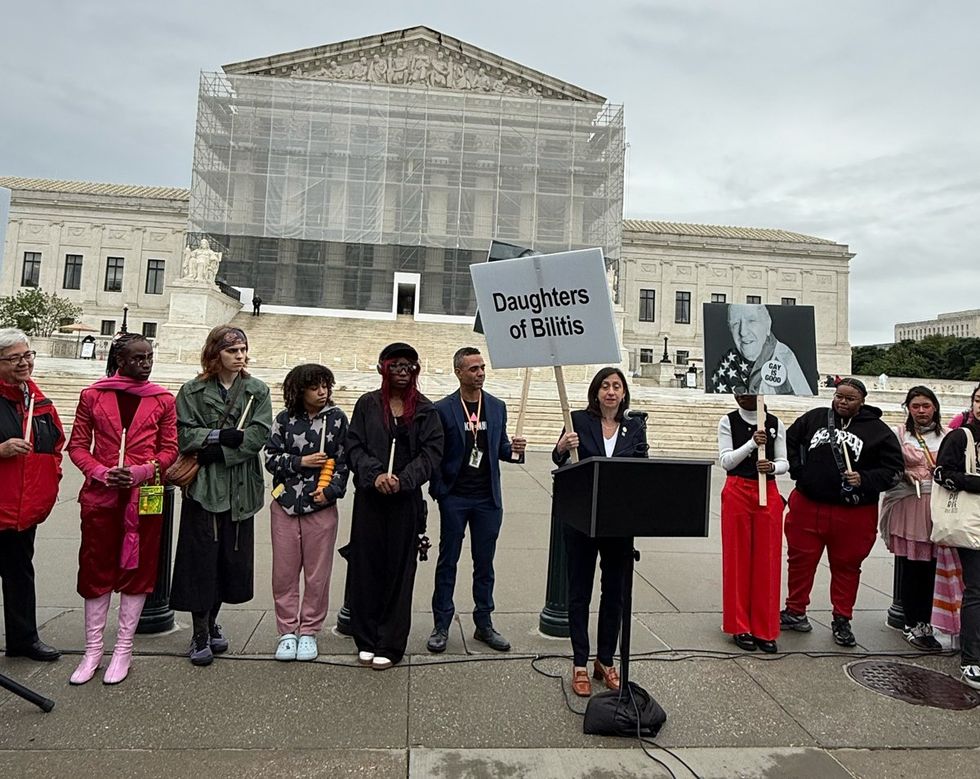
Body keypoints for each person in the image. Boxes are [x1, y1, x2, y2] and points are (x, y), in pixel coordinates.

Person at [66, 334, 178, 684]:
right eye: (138, 358)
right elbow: (77, 446)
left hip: (144, 495)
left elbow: (170, 449)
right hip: (101, 494)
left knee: (139, 569)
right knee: (95, 568)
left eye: (149, 357)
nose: (146, 364)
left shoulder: (162, 399)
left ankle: (124, 649)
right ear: (120, 360)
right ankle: (92, 651)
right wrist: (100, 471)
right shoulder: (92, 395)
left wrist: (143, 470)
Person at [169, 325, 272, 666]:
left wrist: (225, 452)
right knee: (200, 560)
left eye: (243, 350)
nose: (240, 356)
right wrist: (216, 437)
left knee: (230, 560)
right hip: (204, 486)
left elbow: (258, 435)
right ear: (215, 354)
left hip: (241, 487)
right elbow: (183, 433)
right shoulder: (192, 390)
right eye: (232, 351)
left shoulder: (257, 390)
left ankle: (212, 622)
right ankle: (199, 632)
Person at [781, 377, 903, 647]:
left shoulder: (878, 431)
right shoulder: (814, 418)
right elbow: (788, 441)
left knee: (847, 566)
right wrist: (799, 471)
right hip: (809, 504)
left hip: (853, 512)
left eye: (850, 399)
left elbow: (894, 471)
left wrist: (865, 479)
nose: (842, 402)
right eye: (839, 396)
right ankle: (795, 610)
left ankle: (842, 618)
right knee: (800, 561)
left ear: (862, 401)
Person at [346, 343, 443, 670]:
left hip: (405, 500)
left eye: (409, 366)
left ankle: (390, 642)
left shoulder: (426, 410)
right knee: (366, 568)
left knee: (399, 572)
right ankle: (366, 637)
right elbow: (354, 446)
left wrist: (403, 480)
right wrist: (374, 475)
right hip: (370, 498)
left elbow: (431, 453)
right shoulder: (367, 404)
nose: (403, 371)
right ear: (382, 369)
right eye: (396, 365)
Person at [553, 367, 648, 697]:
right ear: (596, 392)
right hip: (582, 519)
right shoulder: (578, 421)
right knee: (580, 591)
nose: (610, 391)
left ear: (623, 393)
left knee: (615, 593)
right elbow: (559, 459)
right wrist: (562, 447)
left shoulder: (635, 427)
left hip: (618, 522)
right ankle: (579, 662)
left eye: (616, 386)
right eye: (605, 386)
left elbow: (642, 468)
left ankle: (605, 660)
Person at [426, 347, 526, 654]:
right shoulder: (442, 409)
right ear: (458, 372)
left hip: (487, 500)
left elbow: (501, 448)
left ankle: (484, 623)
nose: (480, 373)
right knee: (448, 562)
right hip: (455, 497)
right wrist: (440, 491)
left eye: (482, 367)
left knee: (485, 564)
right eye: (473, 369)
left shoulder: (496, 407)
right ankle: (441, 624)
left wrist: (515, 450)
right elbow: (435, 453)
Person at [264, 364, 349, 662]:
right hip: (285, 505)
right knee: (284, 572)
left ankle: (310, 630)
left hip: (321, 506)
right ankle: (287, 631)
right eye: (315, 387)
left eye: (326, 386)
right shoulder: (284, 419)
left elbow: (344, 461)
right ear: (300, 391)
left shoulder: (337, 419)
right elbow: (270, 458)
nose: (322, 392)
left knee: (317, 574)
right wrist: (301, 462)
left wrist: (331, 490)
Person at [0, 328, 64, 662]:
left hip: (23, 509)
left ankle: (24, 640)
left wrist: (51, 483)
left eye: (28, 355)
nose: (24, 363)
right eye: (14, 358)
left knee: (20, 575)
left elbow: (55, 448)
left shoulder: (40, 403)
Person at [717, 392, 788, 653]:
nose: (741, 395)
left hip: (767, 490)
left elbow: (784, 462)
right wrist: (751, 444)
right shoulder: (728, 421)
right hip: (738, 488)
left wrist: (772, 467)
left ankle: (764, 627)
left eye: (747, 390)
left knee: (767, 560)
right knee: (737, 558)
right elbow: (726, 461)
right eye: (738, 391)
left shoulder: (775, 423)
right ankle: (739, 625)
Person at [879, 386, 945, 651]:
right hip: (908, 505)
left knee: (932, 568)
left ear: (935, 407)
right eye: (915, 406)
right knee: (911, 567)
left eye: (926, 406)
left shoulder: (947, 436)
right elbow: (887, 466)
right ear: (907, 408)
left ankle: (927, 620)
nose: (921, 411)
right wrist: (903, 473)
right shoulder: (898, 434)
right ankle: (911, 621)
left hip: (937, 509)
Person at [933, 382, 980, 689]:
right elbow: (942, 473)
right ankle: (972, 658)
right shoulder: (961, 436)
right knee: (977, 588)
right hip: (972, 522)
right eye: (979, 400)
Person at [710, 304, 812, 396]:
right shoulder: (728, 363)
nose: (743, 332)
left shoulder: (782, 359)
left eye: (751, 321)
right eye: (735, 324)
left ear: (768, 325)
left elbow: (803, 402)